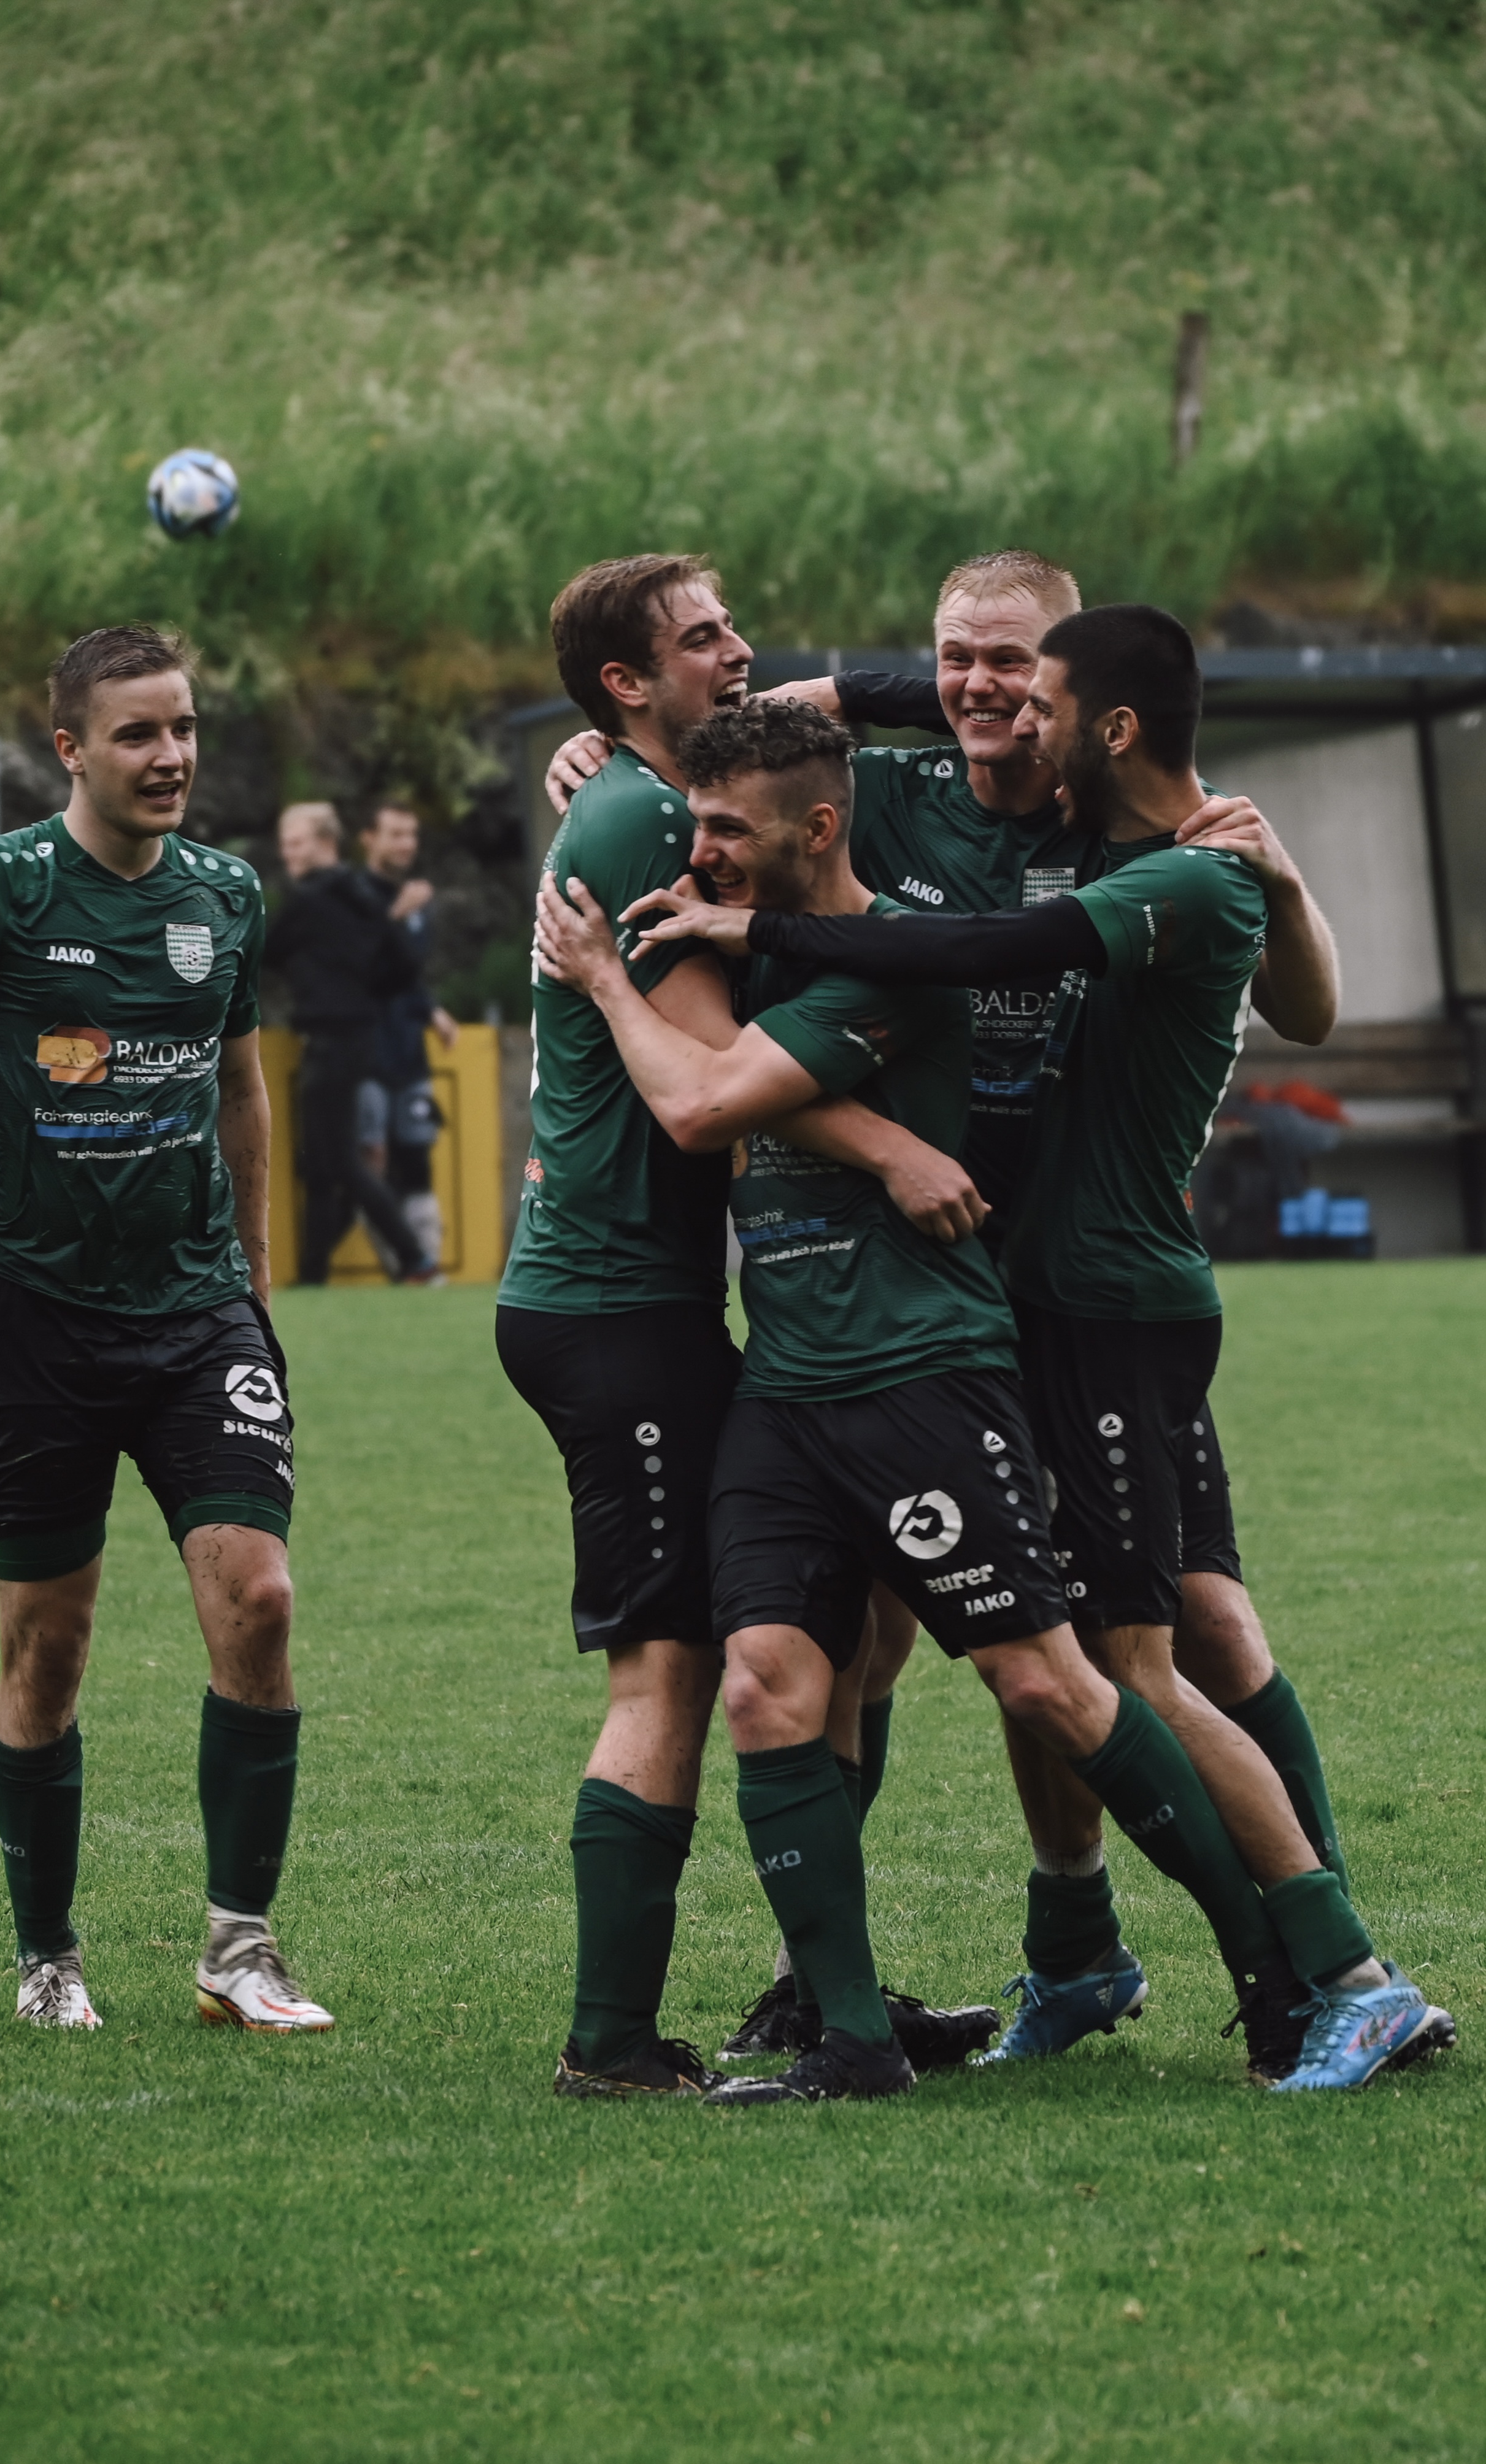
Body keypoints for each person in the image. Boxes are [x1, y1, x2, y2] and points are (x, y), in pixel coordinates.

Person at [542, 550, 1359, 2073]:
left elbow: (998, 960)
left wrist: (1285, 880)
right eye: (955, 661)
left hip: (1074, 1292)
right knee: (856, 1651)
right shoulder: (885, 788)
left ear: (1081, 708)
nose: (985, 692)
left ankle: (1328, 1961)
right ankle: (978, 1970)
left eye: (1018, 671)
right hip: (893, 1313)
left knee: (1151, 1638)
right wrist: (625, 754)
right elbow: (775, 736)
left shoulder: (1123, 825)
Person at [498, 556, 997, 2101]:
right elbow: (711, 1085)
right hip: (613, 1302)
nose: (741, 647)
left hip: (654, 1296)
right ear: (628, 686)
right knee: (672, 1669)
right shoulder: (642, 820)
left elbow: (855, 717)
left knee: (845, 1628)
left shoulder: (658, 789)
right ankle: (609, 2042)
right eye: (702, 636)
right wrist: (893, 1146)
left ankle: (817, 1987)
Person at [0, 623, 333, 2035]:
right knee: (47, 1648)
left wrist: (253, 1275)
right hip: (34, 1322)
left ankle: (241, 1947)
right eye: (138, 732)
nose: (170, 753)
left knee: (261, 1598)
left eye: (182, 726)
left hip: (197, 1315)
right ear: (69, 748)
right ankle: (47, 1957)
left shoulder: (225, 894)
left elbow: (240, 1086)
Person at [264, 803, 438, 1287]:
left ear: (325, 843)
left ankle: (414, 1257)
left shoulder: (309, 900)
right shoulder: (362, 896)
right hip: (357, 1035)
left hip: (331, 1038)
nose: (287, 853)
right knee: (323, 1166)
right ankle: (314, 1275)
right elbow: (403, 967)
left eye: (295, 843)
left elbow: (265, 950)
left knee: (338, 1160)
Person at [356, 803, 460, 1272]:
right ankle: (399, 1261)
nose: (406, 844)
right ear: (368, 838)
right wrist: (395, 916)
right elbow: (354, 971)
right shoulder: (352, 895)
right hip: (365, 1053)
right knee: (371, 1160)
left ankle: (426, 1264)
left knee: (417, 1156)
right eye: (395, 834)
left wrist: (431, 1009)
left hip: (409, 1051)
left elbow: (406, 975)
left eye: (411, 835)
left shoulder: (417, 901)